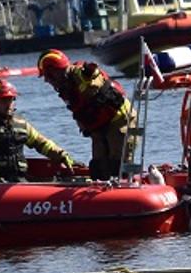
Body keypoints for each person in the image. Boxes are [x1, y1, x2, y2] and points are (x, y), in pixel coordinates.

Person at [37, 49, 136, 178]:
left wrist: (90, 72)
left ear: (57, 70)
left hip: (120, 120)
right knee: (98, 168)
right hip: (100, 128)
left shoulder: (81, 74)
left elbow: (92, 75)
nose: (47, 80)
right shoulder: (65, 87)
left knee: (117, 165)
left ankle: (126, 187)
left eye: (48, 76)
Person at [0, 79, 76, 182]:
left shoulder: (21, 124)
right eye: (3, 100)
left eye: (11, 100)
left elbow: (41, 143)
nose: (8, 105)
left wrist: (61, 155)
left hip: (19, 179)